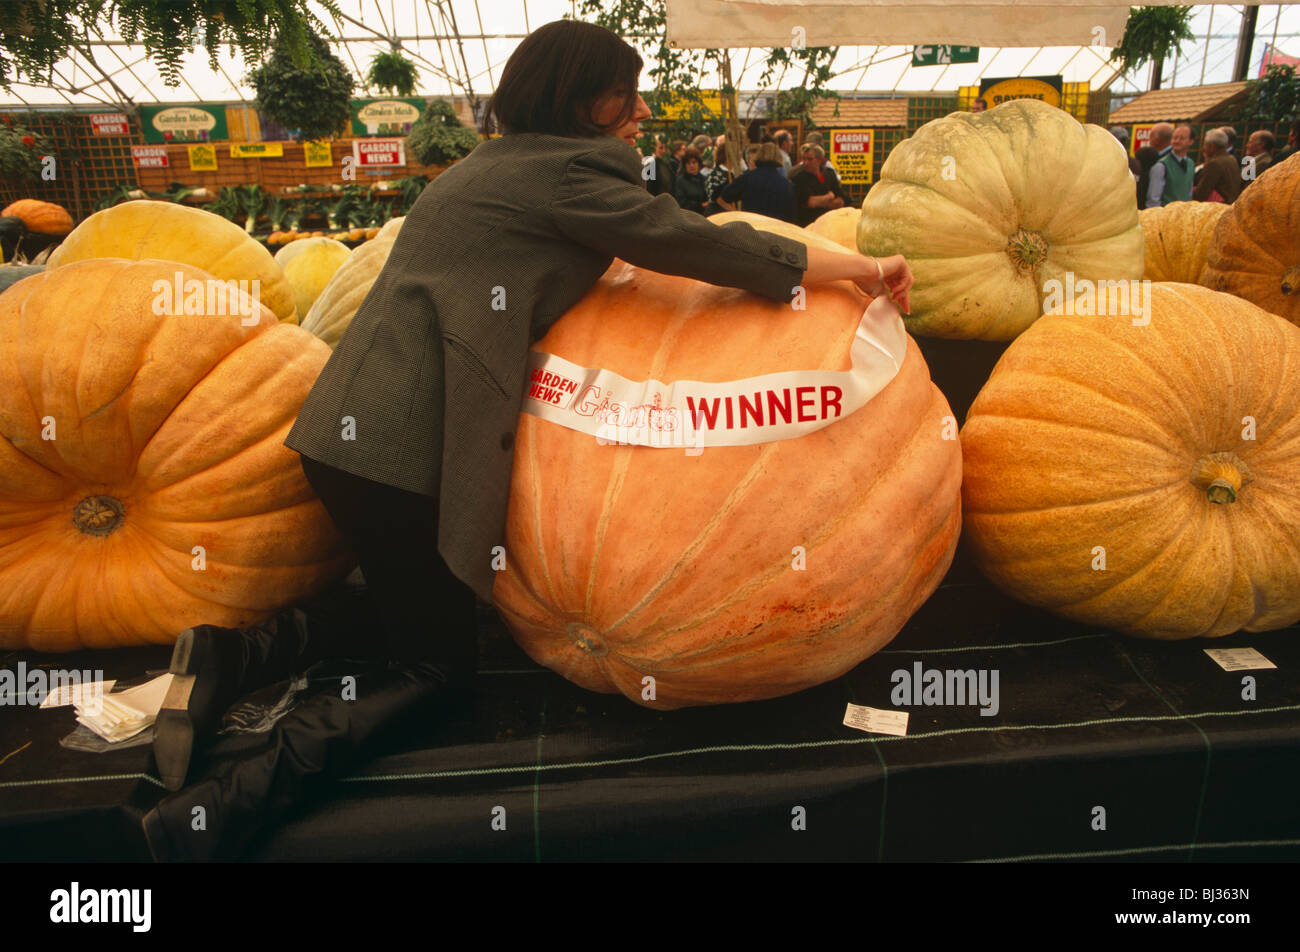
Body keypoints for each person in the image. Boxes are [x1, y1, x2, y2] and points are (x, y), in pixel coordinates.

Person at [140, 18, 914, 861]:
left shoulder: (492, 163)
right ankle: (216, 810)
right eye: (626, 92)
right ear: (581, 98)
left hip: (349, 434)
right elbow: (695, 244)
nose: (641, 109)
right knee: (437, 673)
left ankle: (224, 655)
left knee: (413, 600)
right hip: (396, 448)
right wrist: (863, 271)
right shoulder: (570, 173)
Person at [718, 141, 797, 222]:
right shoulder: (786, 185)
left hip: (751, 227)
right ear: (779, 157)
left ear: (759, 155)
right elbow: (791, 215)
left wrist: (738, 215)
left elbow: (722, 199)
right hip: (775, 229)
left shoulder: (747, 178)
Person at [790, 143, 846, 227]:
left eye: (809, 159)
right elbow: (811, 202)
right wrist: (829, 197)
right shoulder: (799, 178)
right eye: (803, 159)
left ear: (819, 160)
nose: (805, 163)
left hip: (829, 224)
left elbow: (841, 201)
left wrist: (821, 203)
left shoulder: (829, 174)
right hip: (808, 225)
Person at [1146, 124, 1194, 208]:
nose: (1177, 141)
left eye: (1182, 138)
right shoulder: (1161, 166)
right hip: (1166, 216)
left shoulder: (1191, 164)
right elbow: (1153, 200)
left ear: (1191, 141)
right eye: (1175, 138)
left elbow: (1189, 193)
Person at [1194, 128, 1242, 203]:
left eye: (1205, 145)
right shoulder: (1232, 159)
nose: (1203, 148)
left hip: (1218, 207)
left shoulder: (1214, 164)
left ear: (1212, 147)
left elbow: (1201, 194)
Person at [1135, 123, 1170, 207]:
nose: (1149, 140)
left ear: (1157, 140)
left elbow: (1153, 198)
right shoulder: (1175, 160)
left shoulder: (1160, 163)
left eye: (1150, 137)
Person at [673, 146, 709, 214]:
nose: (691, 165)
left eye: (694, 162)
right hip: (688, 216)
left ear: (699, 163)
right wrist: (700, 205)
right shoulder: (680, 181)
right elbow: (681, 203)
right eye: (688, 163)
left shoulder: (704, 179)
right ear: (685, 165)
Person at [704, 142, 734, 215]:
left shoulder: (736, 173)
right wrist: (734, 211)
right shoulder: (714, 174)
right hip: (718, 215)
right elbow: (715, 197)